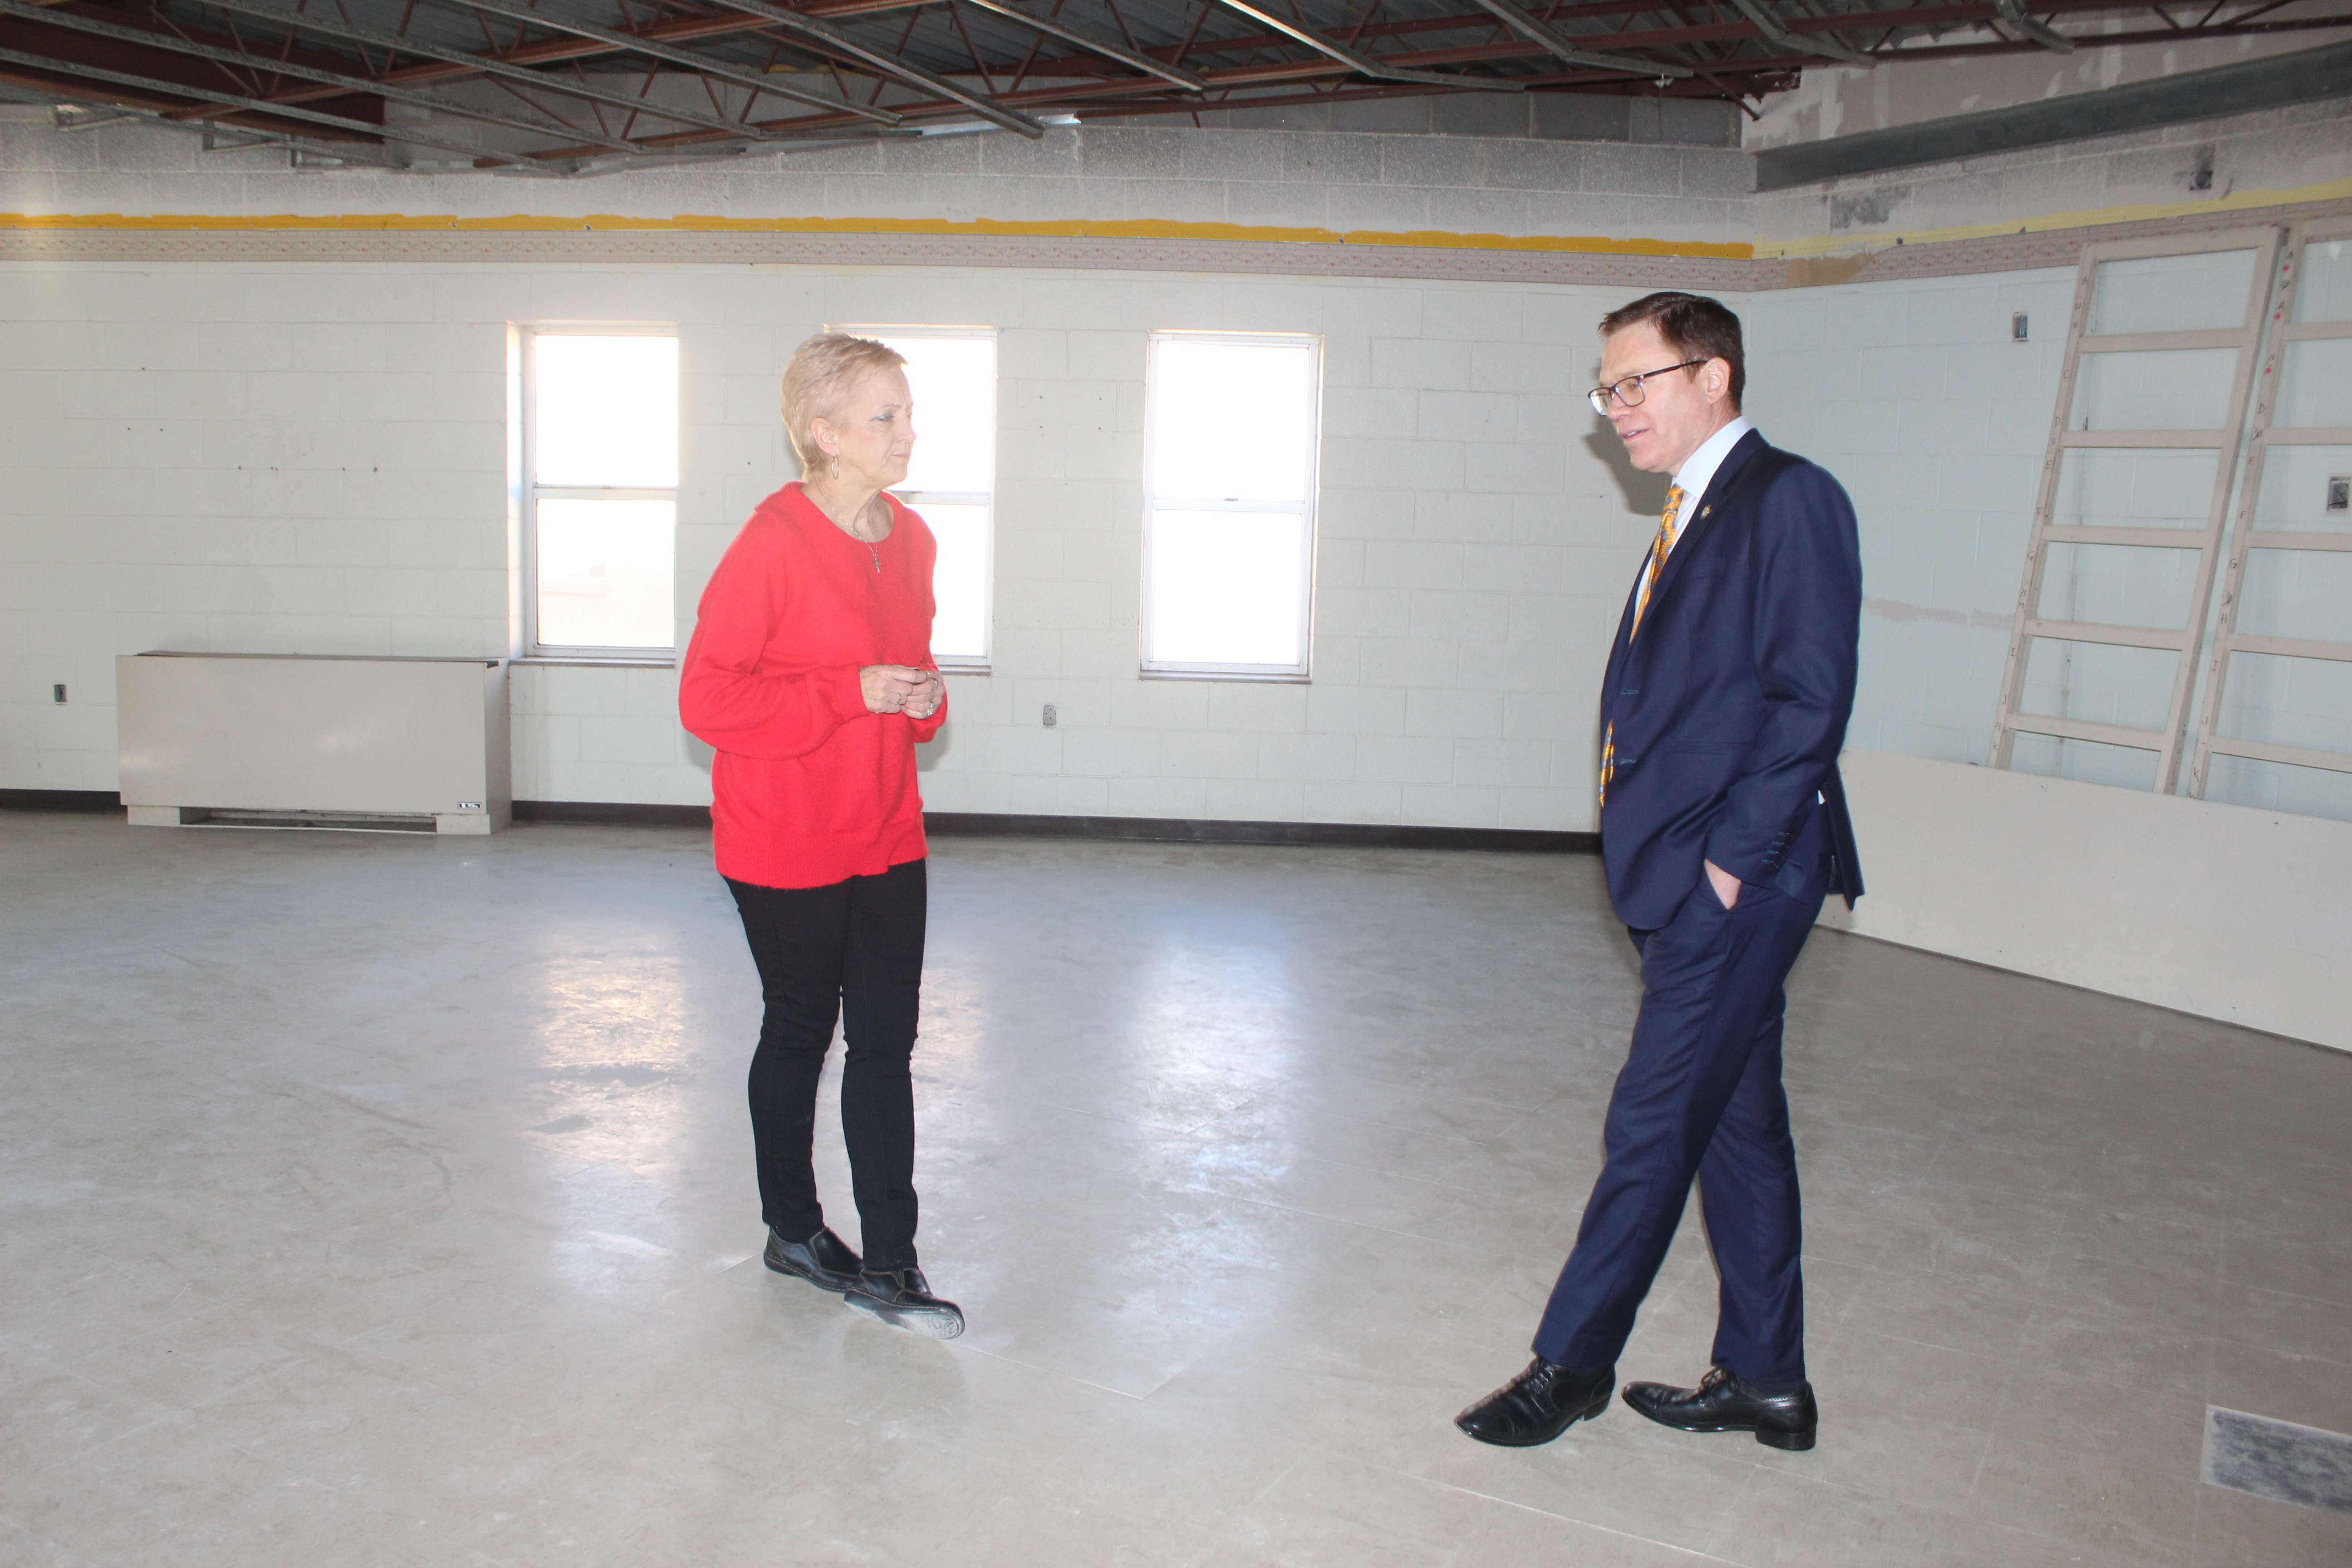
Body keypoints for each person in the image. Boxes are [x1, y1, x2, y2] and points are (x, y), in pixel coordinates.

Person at [1455, 292, 1863, 1450]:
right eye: (1608, 389)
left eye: (1637, 383)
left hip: (1738, 881)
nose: (1616, 408)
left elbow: (1809, 701)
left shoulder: (1791, 500)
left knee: (1649, 1126)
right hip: (1686, 873)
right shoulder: (1694, 509)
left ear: (1715, 377)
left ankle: (1571, 1364)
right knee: (1737, 1124)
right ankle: (1768, 1379)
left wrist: (1729, 869)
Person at [679, 332, 962, 1339]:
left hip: (886, 830)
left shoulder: (915, 541)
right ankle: (793, 1230)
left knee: (886, 1041)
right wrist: (849, 693)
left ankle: (893, 1260)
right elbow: (707, 699)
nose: (905, 431)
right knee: (800, 1028)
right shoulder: (772, 543)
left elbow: (909, 680)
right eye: (882, 415)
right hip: (783, 836)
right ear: (822, 431)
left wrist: (922, 699)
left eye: (907, 411)